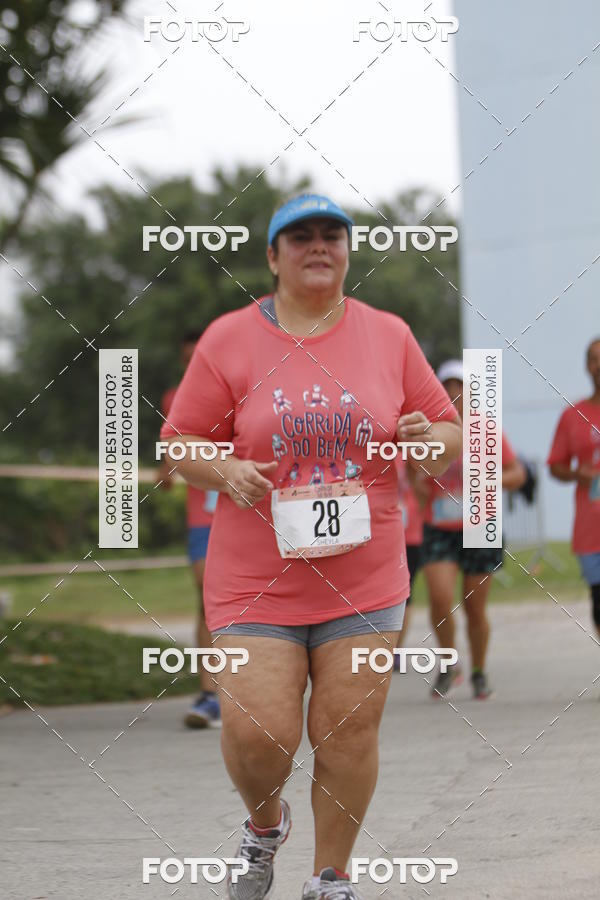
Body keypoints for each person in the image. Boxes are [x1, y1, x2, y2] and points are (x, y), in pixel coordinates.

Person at [159, 193, 462, 899]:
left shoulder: (388, 334)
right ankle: (265, 826)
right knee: (259, 734)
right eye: (301, 237)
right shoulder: (230, 338)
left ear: (349, 252)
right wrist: (226, 468)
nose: (319, 245)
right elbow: (178, 442)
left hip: (364, 575)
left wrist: (429, 439)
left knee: (348, 731)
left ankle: (331, 877)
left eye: (333, 234)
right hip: (256, 579)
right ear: (273, 257)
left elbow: (449, 433)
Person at [415, 359, 526, 700]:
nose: (453, 393)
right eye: (446, 387)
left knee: (474, 608)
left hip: (480, 526)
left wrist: (488, 478)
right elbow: (413, 475)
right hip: (439, 527)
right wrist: (419, 481)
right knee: (439, 599)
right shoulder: (430, 431)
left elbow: (517, 474)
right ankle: (449, 664)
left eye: (459, 387)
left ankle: (478, 670)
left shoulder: (486, 431)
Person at [160, 331, 220, 728]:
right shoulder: (174, 399)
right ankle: (210, 695)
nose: (192, 364)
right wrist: (166, 467)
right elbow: (172, 450)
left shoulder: (244, 386)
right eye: (187, 357)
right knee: (207, 595)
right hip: (204, 515)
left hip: (250, 511)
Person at [547, 337, 600, 639]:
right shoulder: (573, 416)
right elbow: (555, 465)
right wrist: (578, 474)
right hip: (591, 528)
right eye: (594, 359)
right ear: (587, 366)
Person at [393, 457, 423, 661]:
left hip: (410, 534)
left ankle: (396, 650)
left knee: (405, 595)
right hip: (378, 535)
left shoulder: (411, 449)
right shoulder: (372, 448)